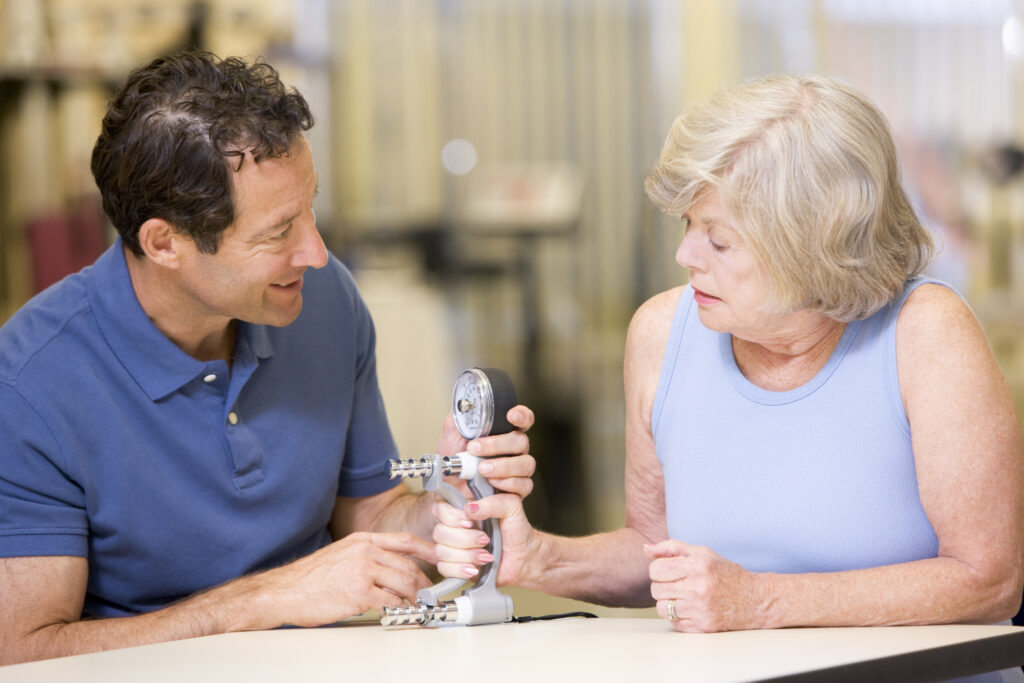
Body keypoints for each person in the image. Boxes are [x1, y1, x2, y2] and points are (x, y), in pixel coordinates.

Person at [433, 74, 1024, 679]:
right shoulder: (663, 332)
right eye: (688, 226)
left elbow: (989, 579)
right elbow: (654, 551)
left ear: (813, 247)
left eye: (719, 239)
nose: (686, 256)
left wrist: (763, 601)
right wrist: (537, 559)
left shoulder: (928, 333)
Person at [0, 50, 535, 665]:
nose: (316, 252)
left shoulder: (324, 301)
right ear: (164, 242)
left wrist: (451, 503)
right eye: (279, 232)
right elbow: (23, 650)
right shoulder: (29, 384)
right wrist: (266, 600)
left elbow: (370, 518)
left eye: (311, 208)